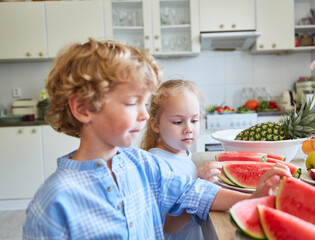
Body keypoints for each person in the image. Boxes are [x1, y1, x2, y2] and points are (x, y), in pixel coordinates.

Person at [23, 38, 291, 239]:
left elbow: (194, 193)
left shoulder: (141, 164)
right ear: (82, 108)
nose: (143, 115)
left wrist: (255, 197)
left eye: (144, 103)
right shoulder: (53, 203)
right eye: (131, 103)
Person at [140, 79, 223, 239]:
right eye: (178, 122)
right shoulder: (156, 163)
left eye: (194, 120)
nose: (188, 129)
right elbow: (168, 225)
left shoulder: (184, 154)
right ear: (155, 124)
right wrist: (200, 188)